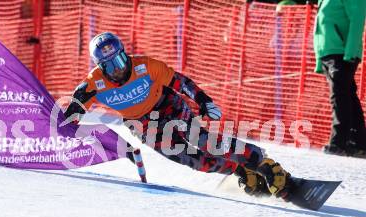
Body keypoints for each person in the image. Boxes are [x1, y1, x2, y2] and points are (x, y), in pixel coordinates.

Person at [65, 32, 292, 199]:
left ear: (125, 54)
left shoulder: (145, 66)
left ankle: (264, 163)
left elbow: (179, 82)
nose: (119, 69)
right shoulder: (92, 85)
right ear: (99, 66)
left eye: (121, 60)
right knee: (194, 160)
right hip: (142, 125)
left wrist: (203, 100)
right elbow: (72, 112)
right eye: (110, 65)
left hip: (167, 105)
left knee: (202, 141)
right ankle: (240, 169)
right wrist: (67, 127)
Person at [314, 0, 366, 157]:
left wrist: (350, 52)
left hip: (342, 53)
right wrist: (319, 60)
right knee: (347, 96)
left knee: (340, 97)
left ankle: (339, 143)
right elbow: (322, 26)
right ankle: (359, 143)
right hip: (330, 53)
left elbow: (358, 18)